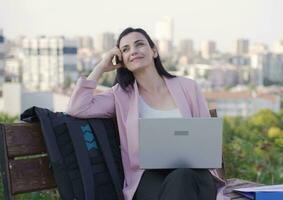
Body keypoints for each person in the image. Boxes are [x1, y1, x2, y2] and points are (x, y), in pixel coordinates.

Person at [67, 27, 226, 200]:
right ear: (122, 60)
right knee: (179, 183)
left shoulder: (188, 87)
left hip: (194, 175)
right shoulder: (120, 95)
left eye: (139, 44)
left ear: (154, 51)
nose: (133, 51)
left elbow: (205, 140)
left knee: (182, 176)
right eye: (125, 49)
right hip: (149, 178)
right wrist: (100, 67)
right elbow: (77, 107)